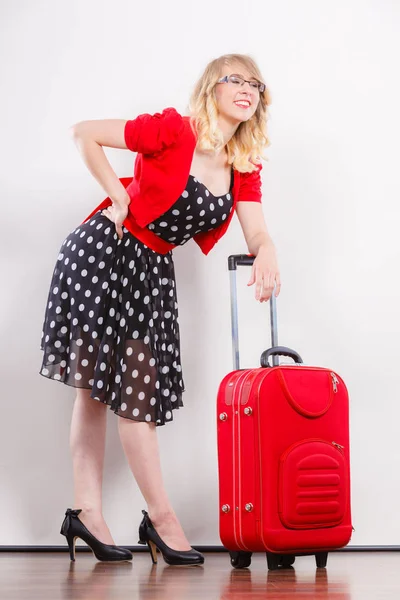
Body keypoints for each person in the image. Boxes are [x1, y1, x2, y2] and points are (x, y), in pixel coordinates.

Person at [40, 53, 281, 566]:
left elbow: (255, 228)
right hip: (106, 250)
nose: (246, 89)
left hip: (150, 268)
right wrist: (118, 197)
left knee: (130, 392)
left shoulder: (243, 163)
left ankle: (112, 515)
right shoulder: (173, 129)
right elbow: (84, 132)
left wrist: (269, 249)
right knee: (101, 389)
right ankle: (142, 517)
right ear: (211, 89)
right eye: (234, 79)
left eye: (255, 85)